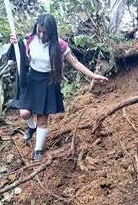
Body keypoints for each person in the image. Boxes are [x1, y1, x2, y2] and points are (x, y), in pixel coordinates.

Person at [8, 14, 108, 161]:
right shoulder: (29, 39)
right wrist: (14, 42)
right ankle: (31, 127)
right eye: (39, 31)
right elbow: (17, 53)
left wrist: (93, 75)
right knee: (24, 113)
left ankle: (38, 150)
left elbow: (75, 63)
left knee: (43, 119)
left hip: (49, 81)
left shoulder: (59, 45)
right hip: (32, 79)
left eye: (45, 32)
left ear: (52, 31)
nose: (42, 35)